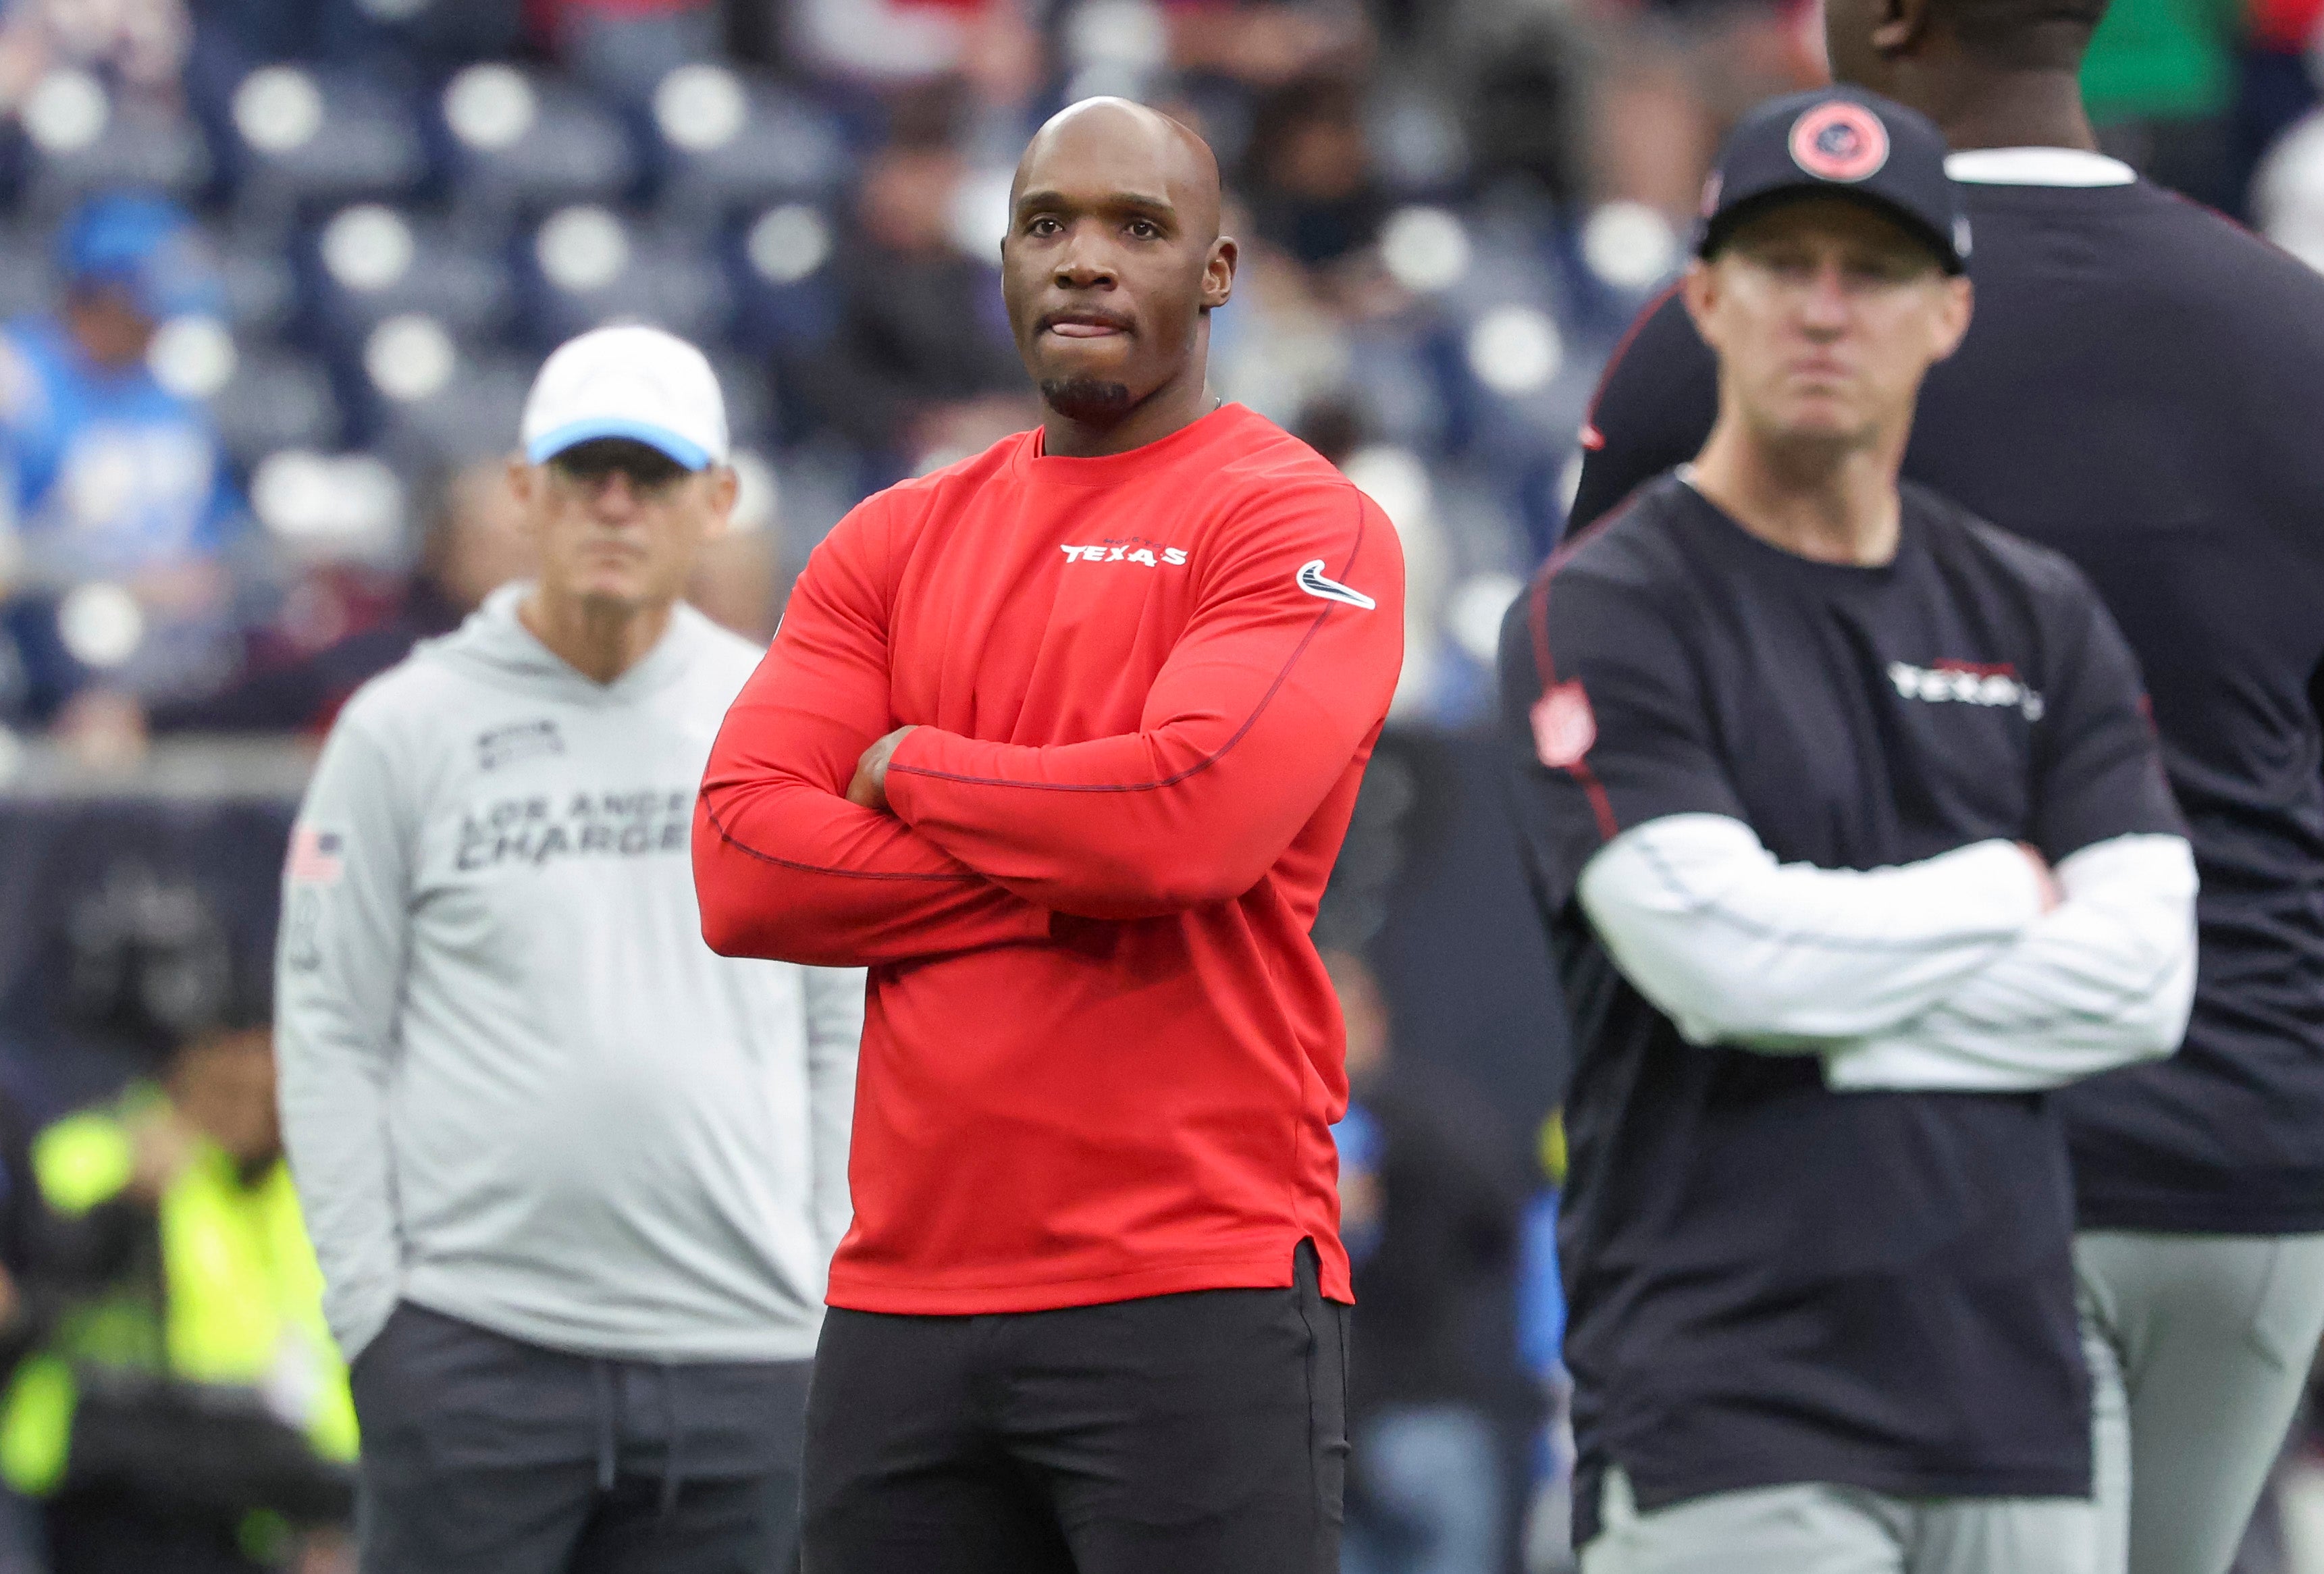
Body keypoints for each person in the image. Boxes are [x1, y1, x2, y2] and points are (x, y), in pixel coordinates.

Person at [1566, 4, 2324, 1568]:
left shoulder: (1739, 336)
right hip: (2251, 1176)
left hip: (1902, 1172)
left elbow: (1607, 777)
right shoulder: (2295, 329)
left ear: (1893, 16)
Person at [693, 97, 1405, 1573]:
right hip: (902, 1300)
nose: (1084, 260)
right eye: (1045, 226)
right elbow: (745, 866)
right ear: (1001, 265)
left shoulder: (1299, 523)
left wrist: (913, 766)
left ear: (1216, 272)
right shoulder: (887, 539)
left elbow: (1184, 823)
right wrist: (1081, 862)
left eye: (1136, 229)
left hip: (1191, 1280)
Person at [274, 324, 864, 1574]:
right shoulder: (401, 729)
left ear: (711, 503)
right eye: (582, 469)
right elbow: (330, 1028)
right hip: (475, 1350)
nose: (612, 503)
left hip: (746, 1359)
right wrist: (375, 1313)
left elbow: (843, 1023)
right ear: (522, 493)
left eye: (647, 475)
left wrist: (822, 1283)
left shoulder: (785, 724)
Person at [0, 1022, 356, 1574]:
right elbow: (41, 1291)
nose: (252, 1091)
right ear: (186, 1063)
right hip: (101, 1485)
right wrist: (126, 1206)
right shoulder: (91, 1154)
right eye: (231, 1076)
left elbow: (328, 1357)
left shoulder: (311, 1189)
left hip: (269, 1493)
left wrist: (335, 1510)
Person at [0, 192, 244, 725]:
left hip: (163, 662)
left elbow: (211, 541)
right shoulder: (18, 382)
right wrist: (125, 580)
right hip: (40, 652)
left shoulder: (171, 393)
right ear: (104, 294)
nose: (158, 327)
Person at [1327, 949, 1534, 1574]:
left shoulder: (1411, 1119)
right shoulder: (1306, 1126)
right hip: (1340, 1437)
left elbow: (1500, 1219)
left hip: (1414, 1419)